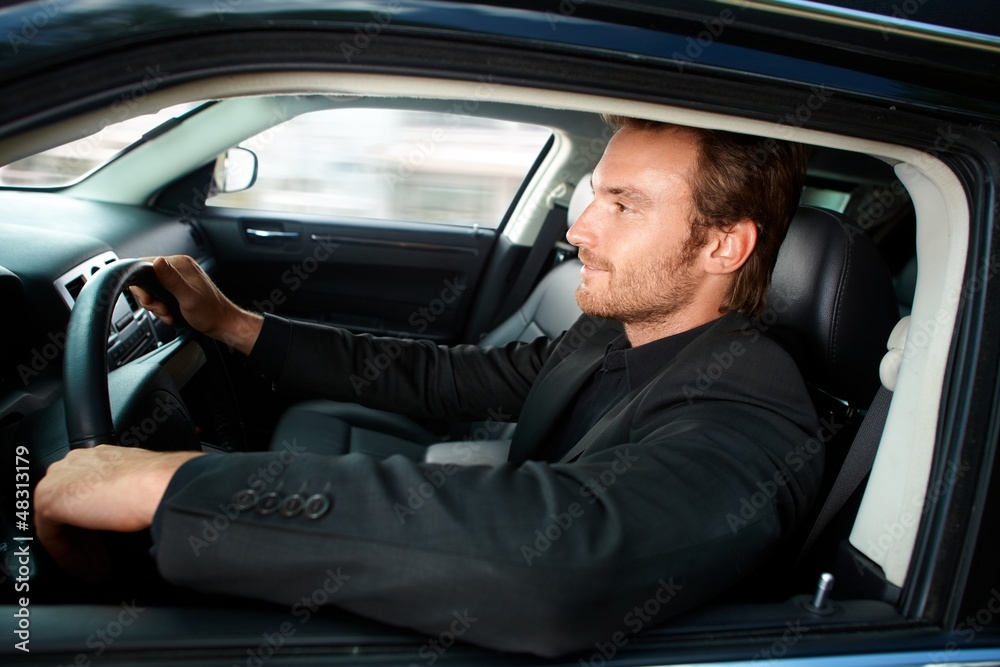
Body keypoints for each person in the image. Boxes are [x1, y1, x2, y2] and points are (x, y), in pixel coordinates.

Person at [35, 117, 820, 657]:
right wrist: (235, 323)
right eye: (594, 196)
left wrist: (181, 484)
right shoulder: (611, 330)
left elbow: (562, 564)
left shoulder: (751, 402)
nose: (580, 229)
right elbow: (442, 375)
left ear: (723, 244)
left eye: (624, 204)